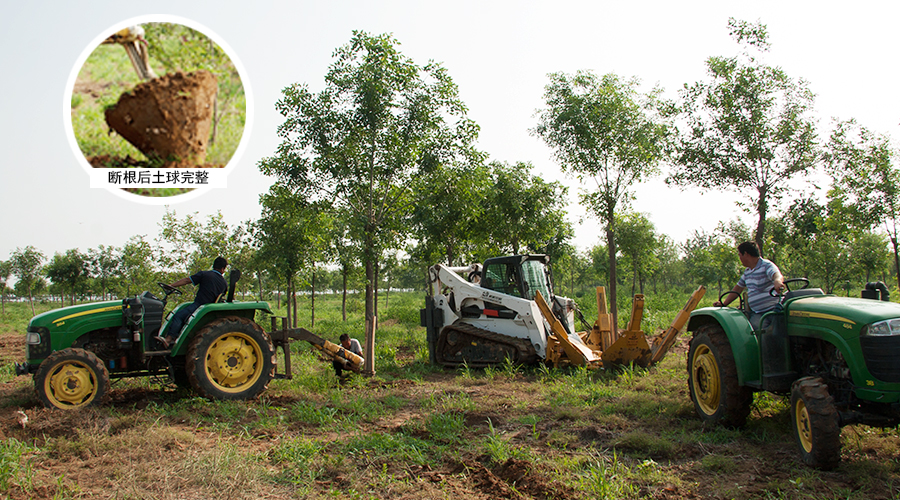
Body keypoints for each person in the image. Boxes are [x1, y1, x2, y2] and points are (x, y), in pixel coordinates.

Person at [155, 257, 228, 349]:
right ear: (223, 269)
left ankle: (169, 339)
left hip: (199, 306)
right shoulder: (224, 283)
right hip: (208, 307)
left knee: (178, 316)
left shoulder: (205, 274)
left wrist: (171, 286)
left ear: (214, 266)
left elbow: (186, 280)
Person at [714, 241, 785, 330]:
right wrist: (724, 303)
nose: (739, 258)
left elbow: (776, 274)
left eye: (740, 255)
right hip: (758, 312)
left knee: (761, 329)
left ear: (746, 254)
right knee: (749, 329)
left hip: (772, 310)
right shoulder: (747, 272)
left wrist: (778, 281)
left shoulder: (766, 265)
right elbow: (737, 289)